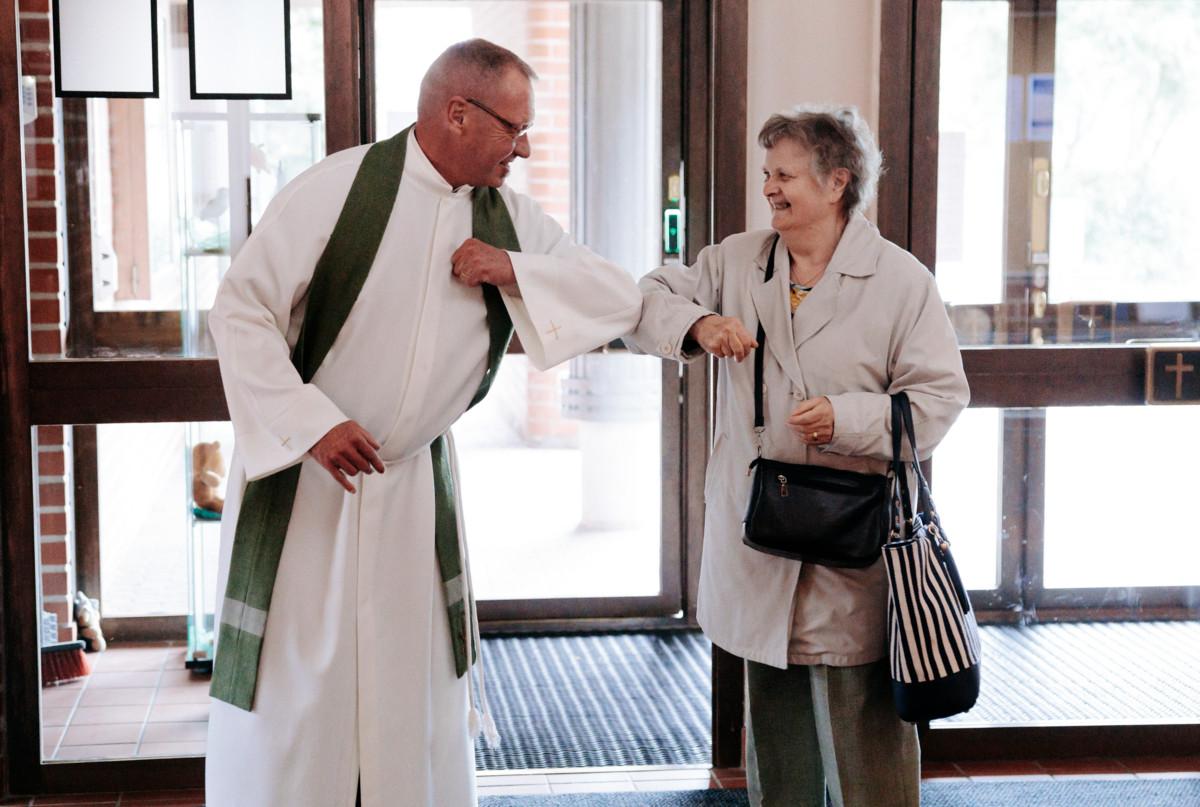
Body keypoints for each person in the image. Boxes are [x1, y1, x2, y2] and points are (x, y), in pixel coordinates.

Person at [204, 39, 641, 807]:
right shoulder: (338, 189)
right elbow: (240, 309)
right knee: (300, 696)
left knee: (407, 690)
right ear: (457, 113)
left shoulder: (508, 218)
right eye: (515, 127)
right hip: (309, 481)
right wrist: (310, 421)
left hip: (407, 486)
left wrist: (512, 268)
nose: (527, 146)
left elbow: (614, 296)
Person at [626, 105, 969, 806]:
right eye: (767, 174)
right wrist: (700, 321)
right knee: (777, 757)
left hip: (851, 549)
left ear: (838, 180)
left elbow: (937, 401)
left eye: (785, 174)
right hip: (761, 544)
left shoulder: (900, 282)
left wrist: (847, 417)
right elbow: (647, 301)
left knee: (866, 747)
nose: (770, 188)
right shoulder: (733, 262)